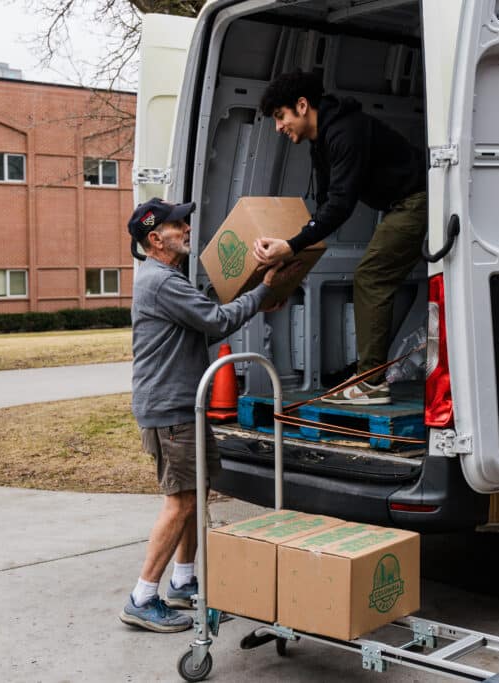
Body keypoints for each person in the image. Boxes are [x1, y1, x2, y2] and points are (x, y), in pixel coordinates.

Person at [119, 197, 288, 633]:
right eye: (179, 224)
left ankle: (183, 580)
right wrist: (264, 289)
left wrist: (254, 295)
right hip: (170, 411)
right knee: (181, 501)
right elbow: (215, 320)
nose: (187, 228)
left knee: (197, 492)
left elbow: (208, 312)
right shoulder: (160, 282)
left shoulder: (165, 278)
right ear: (155, 239)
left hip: (181, 406)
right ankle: (142, 596)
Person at [253, 70, 428, 406]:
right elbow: (324, 209)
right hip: (400, 204)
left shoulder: (346, 132)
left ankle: (371, 383)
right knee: (373, 275)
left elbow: (342, 206)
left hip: (418, 199)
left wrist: (290, 246)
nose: (278, 127)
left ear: (302, 106)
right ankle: (368, 377)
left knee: (371, 276)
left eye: (280, 116)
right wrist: (289, 260)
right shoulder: (321, 143)